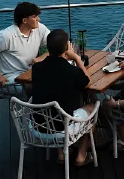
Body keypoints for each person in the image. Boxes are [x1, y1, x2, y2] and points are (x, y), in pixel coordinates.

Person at [27, 29, 96, 166]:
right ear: (67, 48)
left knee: (53, 104)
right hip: (63, 128)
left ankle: (61, 154)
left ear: (48, 47)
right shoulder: (72, 72)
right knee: (92, 107)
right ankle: (81, 156)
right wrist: (76, 58)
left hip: (38, 125)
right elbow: (87, 80)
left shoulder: (37, 68)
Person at [0, 2, 50, 86]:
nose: (38, 19)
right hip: (12, 78)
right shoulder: (6, 35)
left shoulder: (40, 29)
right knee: (39, 85)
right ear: (24, 20)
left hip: (31, 73)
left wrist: (41, 58)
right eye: (35, 17)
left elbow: (57, 46)